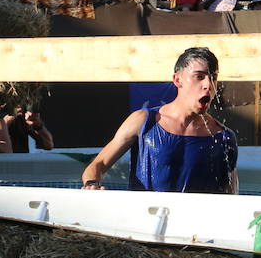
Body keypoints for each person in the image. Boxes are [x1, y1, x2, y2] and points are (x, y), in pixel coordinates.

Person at [80, 47, 237, 194]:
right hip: (146, 219)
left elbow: (232, 193)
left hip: (194, 221)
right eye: (199, 77)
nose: (208, 85)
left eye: (213, 78)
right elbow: (97, 165)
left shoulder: (224, 137)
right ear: (177, 80)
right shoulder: (143, 122)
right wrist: (91, 184)